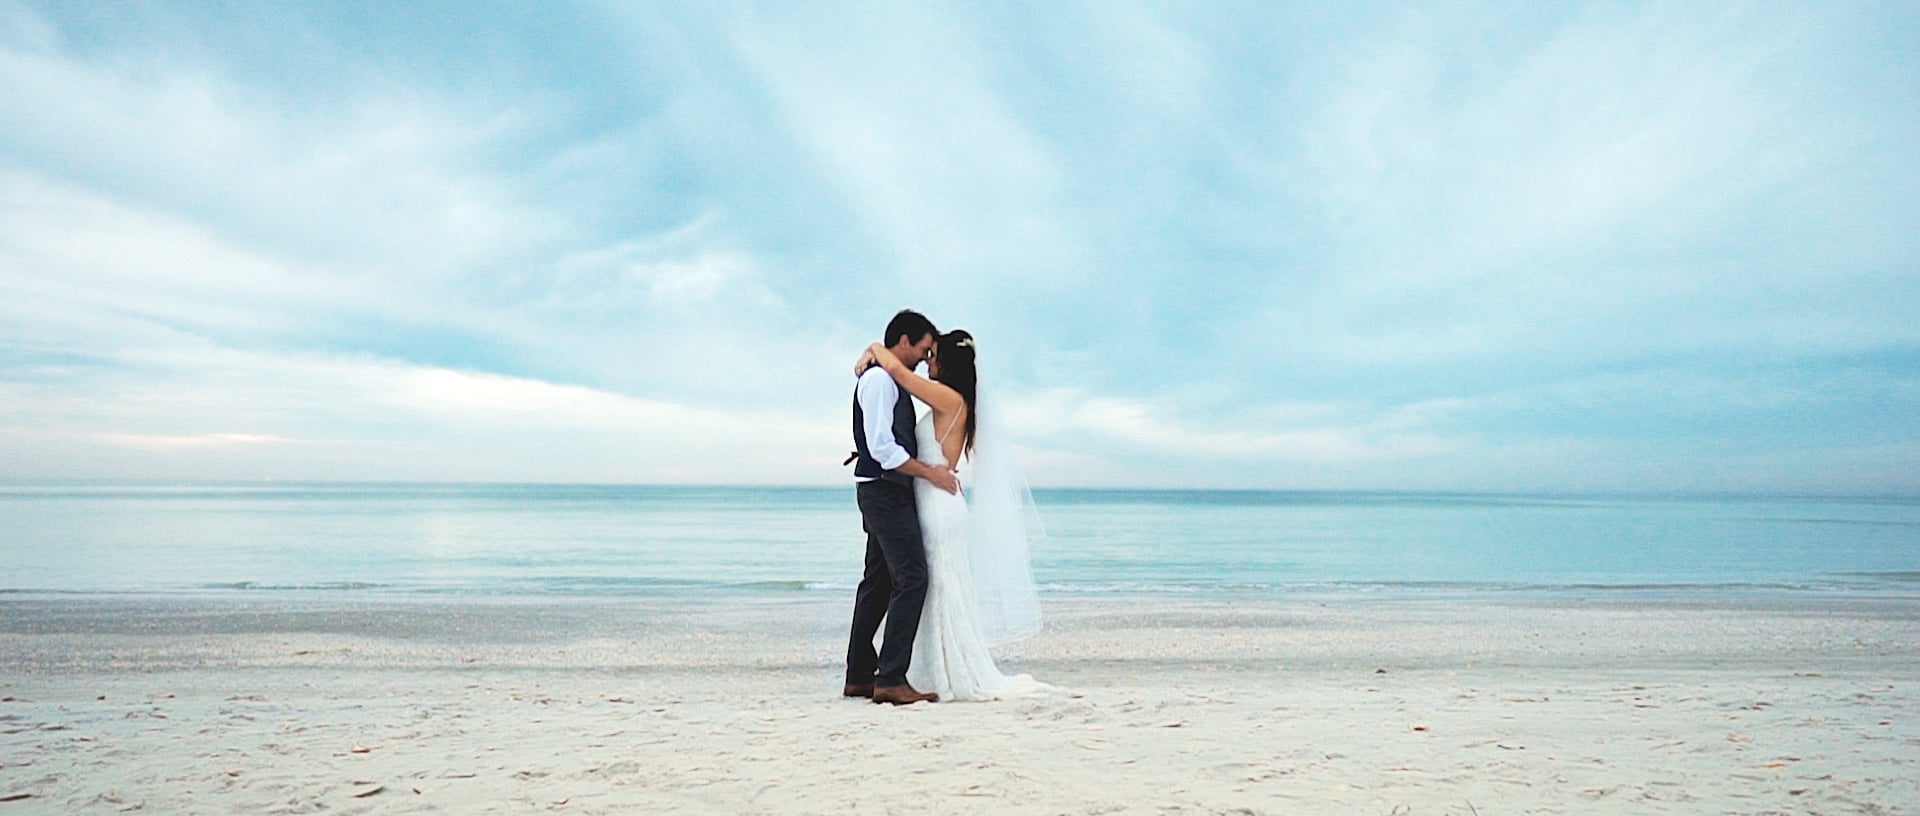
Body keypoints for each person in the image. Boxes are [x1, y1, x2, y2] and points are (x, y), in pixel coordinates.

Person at [856, 329, 1049, 701]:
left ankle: (929, 671)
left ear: (947, 363)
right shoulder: (953, 400)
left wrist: (875, 348)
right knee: (936, 586)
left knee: (936, 584)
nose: (928, 361)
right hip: (933, 500)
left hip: (938, 505)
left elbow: (898, 373)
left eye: (933, 356)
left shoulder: (949, 398)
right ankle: (922, 668)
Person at [845, 309, 957, 706]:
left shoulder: (886, 376)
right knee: (912, 577)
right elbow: (883, 449)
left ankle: (859, 675)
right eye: (925, 349)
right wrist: (930, 474)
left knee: (878, 583)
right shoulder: (878, 380)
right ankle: (891, 677)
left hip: (882, 489)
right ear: (904, 341)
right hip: (884, 490)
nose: (927, 359)